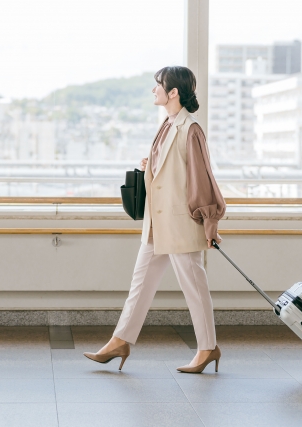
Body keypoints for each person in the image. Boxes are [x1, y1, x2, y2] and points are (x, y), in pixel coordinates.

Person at [83, 66, 226, 373]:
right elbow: (172, 170)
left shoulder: (191, 129)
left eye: (158, 85)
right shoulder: (168, 124)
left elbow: (202, 179)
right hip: (158, 223)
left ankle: (208, 348)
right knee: (141, 283)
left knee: (194, 285)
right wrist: (152, 164)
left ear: (173, 92)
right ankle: (120, 340)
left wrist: (210, 222)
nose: (154, 90)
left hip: (181, 223)